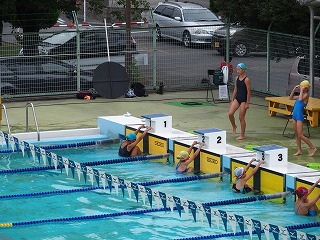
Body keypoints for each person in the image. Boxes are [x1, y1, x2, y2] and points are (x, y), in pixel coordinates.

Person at [289, 80, 317, 157]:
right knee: (297, 134)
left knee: (300, 134)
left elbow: (301, 99)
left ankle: (313, 148)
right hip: (294, 116)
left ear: (305, 88)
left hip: (299, 116)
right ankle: (299, 150)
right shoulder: (299, 95)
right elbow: (290, 98)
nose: (300, 88)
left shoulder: (306, 95)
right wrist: (294, 89)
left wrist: (301, 90)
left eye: (302, 87)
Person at [228, 63, 251, 140]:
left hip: (244, 100)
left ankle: (242, 135)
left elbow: (248, 92)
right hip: (237, 99)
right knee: (230, 113)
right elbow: (236, 89)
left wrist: (247, 103)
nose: (237, 70)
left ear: (243, 70)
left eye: (239, 69)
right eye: (237, 69)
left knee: (241, 117)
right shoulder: (236, 78)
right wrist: (232, 99)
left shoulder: (246, 79)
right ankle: (234, 125)